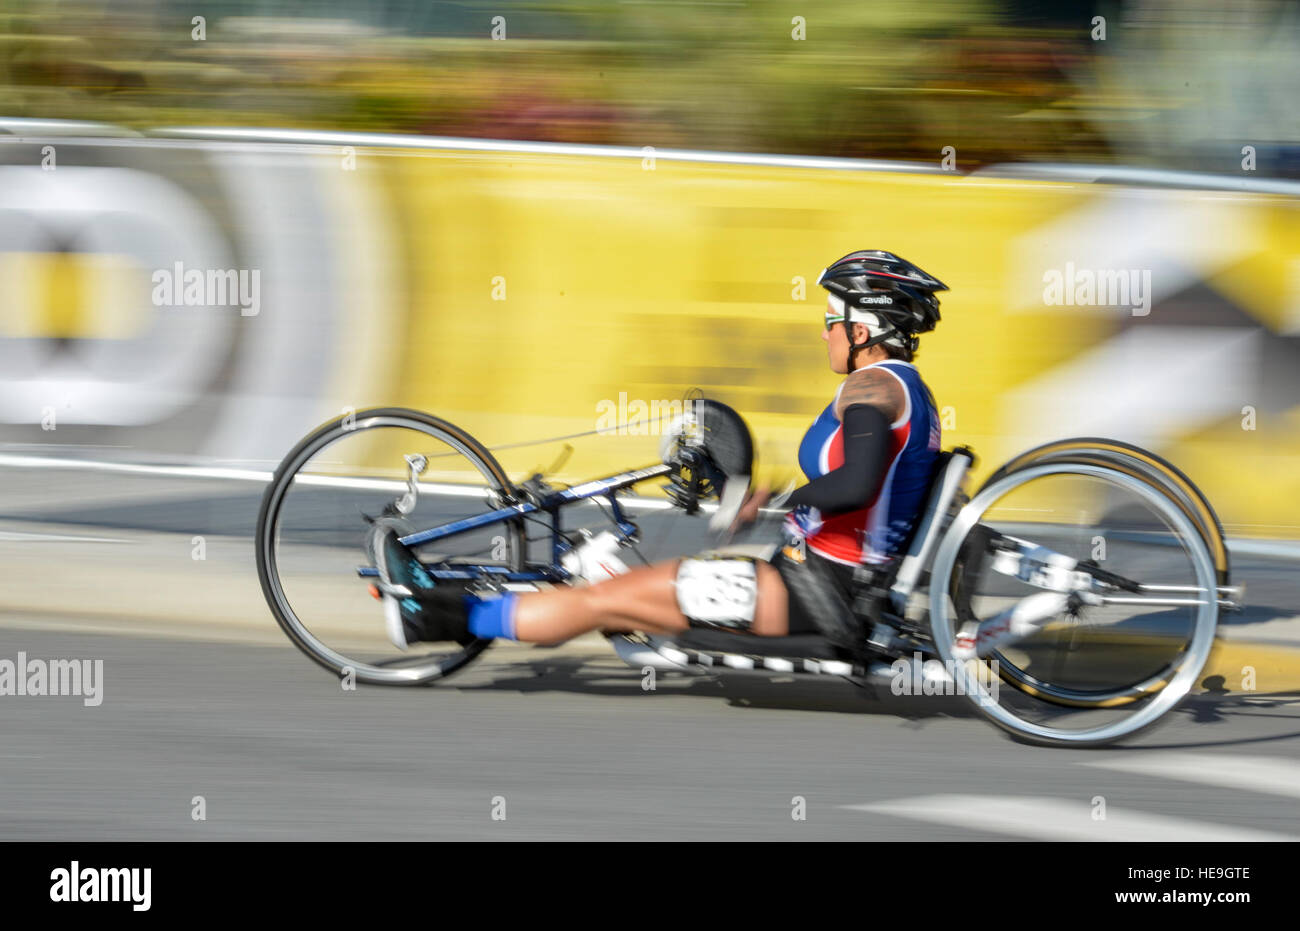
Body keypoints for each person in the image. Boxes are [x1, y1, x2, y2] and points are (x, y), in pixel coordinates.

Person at [370, 250, 946, 653]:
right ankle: (439, 603)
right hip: (808, 577)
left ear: (863, 328)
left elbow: (856, 485)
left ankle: (439, 615)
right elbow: (864, 490)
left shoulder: (871, 387)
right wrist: (774, 503)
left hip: (815, 591)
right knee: (611, 599)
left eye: (830, 320)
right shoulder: (907, 392)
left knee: (599, 599)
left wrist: (777, 507)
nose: (824, 333)